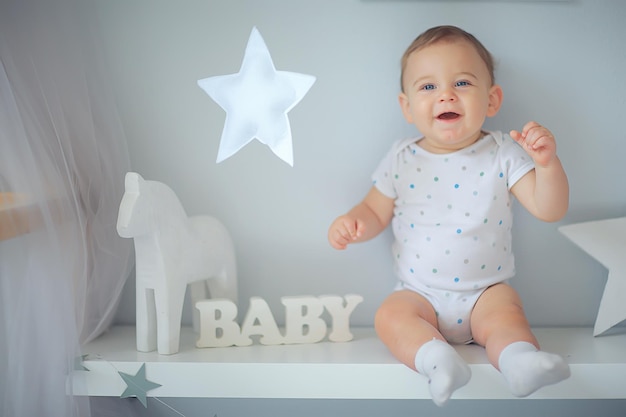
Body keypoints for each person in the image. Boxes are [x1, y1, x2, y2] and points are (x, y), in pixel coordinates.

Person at [327, 25, 570, 406]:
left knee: (506, 315)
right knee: (389, 316)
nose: (445, 94)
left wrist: (547, 165)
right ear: (407, 107)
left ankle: (520, 362)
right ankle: (437, 360)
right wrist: (354, 222)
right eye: (427, 87)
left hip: (485, 293)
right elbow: (374, 209)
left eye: (461, 82)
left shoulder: (503, 152)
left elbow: (549, 208)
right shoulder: (401, 157)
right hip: (418, 295)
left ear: (491, 100)